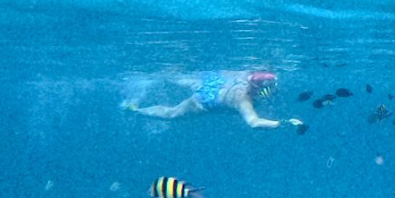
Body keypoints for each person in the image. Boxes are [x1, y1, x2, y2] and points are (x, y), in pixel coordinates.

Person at [125, 69, 301, 129]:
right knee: (172, 114)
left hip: (213, 81)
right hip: (204, 101)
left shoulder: (244, 76)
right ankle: (137, 110)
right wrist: (282, 123)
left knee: (181, 79)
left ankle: (157, 74)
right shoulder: (243, 99)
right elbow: (253, 122)